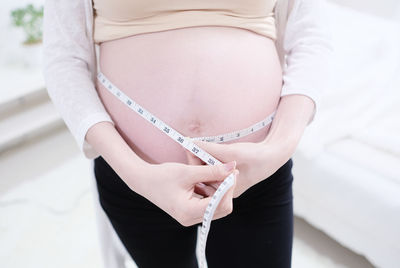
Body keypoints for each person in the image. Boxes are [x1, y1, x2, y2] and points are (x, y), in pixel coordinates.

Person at [42, 0, 333, 267]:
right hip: (137, 181)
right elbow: (64, 59)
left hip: (257, 175)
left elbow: (311, 38)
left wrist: (276, 149)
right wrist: (136, 174)